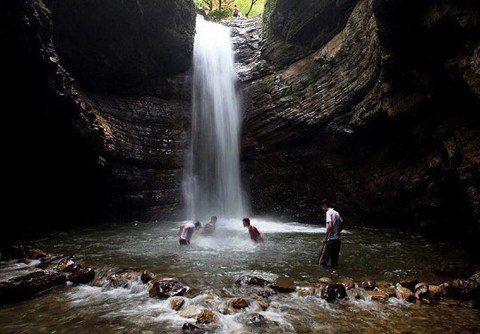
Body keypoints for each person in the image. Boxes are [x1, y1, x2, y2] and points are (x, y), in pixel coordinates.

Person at [318, 199, 343, 268]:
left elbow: (330, 225)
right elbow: (342, 225)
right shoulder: (336, 213)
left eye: (322, 207)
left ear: (325, 205)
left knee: (322, 261)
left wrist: (326, 237)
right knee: (334, 261)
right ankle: (334, 275)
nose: (323, 209)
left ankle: (322, 275)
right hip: (337, 239)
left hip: (331, 240)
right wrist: (336, 233)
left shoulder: (329, 212)